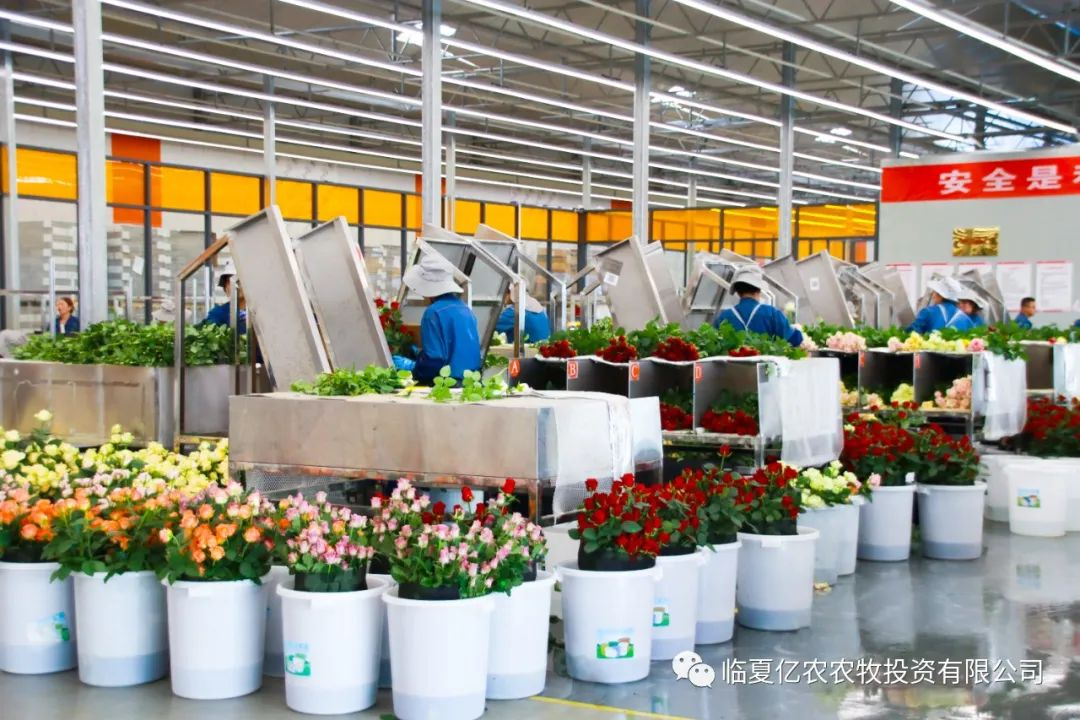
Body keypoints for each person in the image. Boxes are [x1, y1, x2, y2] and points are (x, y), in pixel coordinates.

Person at [403, 253, 482, 385]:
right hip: (471, 384)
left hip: (447, 386)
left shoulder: (433, 313)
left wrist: (413, 369)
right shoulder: (465, 309)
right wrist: (420, 355)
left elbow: (434, 361)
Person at [714, 265, 803, 347]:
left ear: (737, 292)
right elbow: (795, 339)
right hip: (766, 360)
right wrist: (796, 329)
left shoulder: (724, 317)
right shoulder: (772, 314)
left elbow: (715, 343)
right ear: (759, 290)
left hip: (731, 360)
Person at [908, 277, 973, 333]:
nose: (933, 296)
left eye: (934, 292)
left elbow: (911, 333)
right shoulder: (966, 320)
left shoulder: (927, 312)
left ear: (940, 295)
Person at [202, 261, 247, 334]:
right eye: (229, 282)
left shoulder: (258, 313)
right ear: (225, 288)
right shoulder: (218, 314)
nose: (235, 286)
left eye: (238, 281)